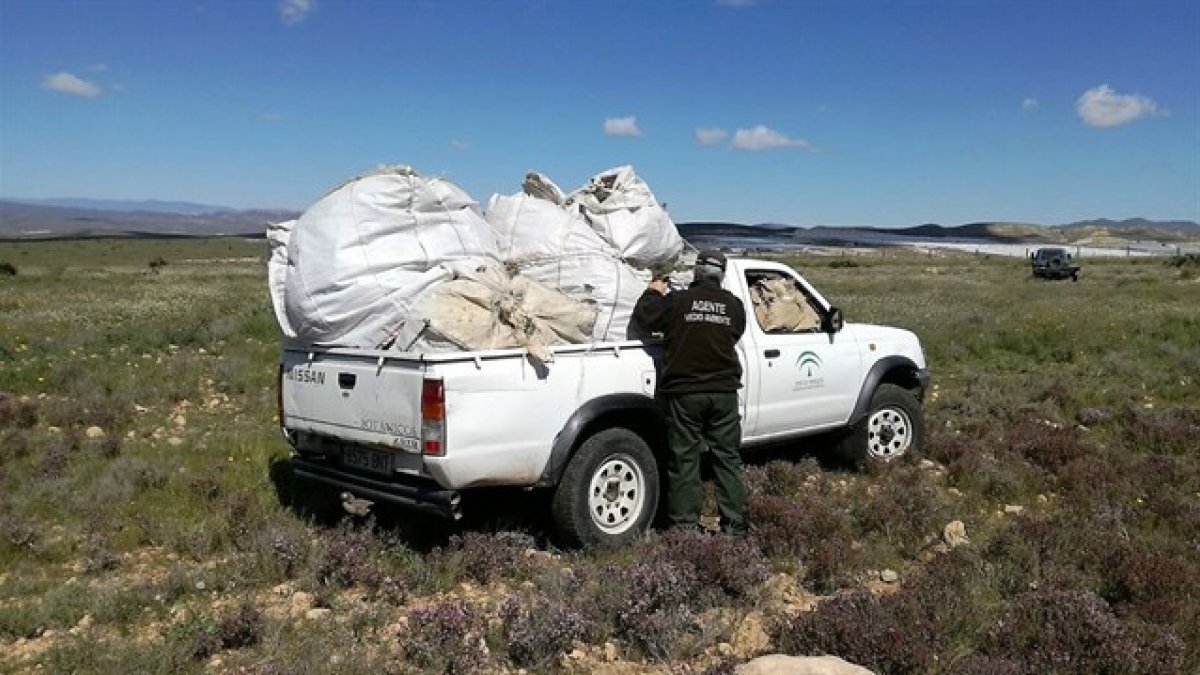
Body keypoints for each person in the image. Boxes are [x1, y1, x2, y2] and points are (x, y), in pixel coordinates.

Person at [632, 249, 749, 536]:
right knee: (727, 459)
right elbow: (736, 332)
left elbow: (646, 317)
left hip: (685, 392)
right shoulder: (733, 305)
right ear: (721, 275)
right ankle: (734, 526)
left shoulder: (678, 301)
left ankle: (684, 528)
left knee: (685, 459)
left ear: (696, 272)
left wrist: (653, 291)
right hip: (723, 392)